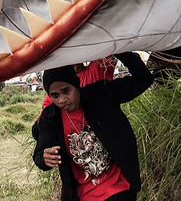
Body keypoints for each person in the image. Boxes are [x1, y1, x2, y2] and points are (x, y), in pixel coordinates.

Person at [32, 52, 153, 201]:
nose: (62, 100)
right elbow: (40, 152)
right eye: (55, 95)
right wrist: (43, 158)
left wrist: (119, 50)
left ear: (76, 84)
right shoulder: (51, 118)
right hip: (84, 195)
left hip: (120, 188)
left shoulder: (101, 95)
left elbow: (143, 79)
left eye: (66, 91)